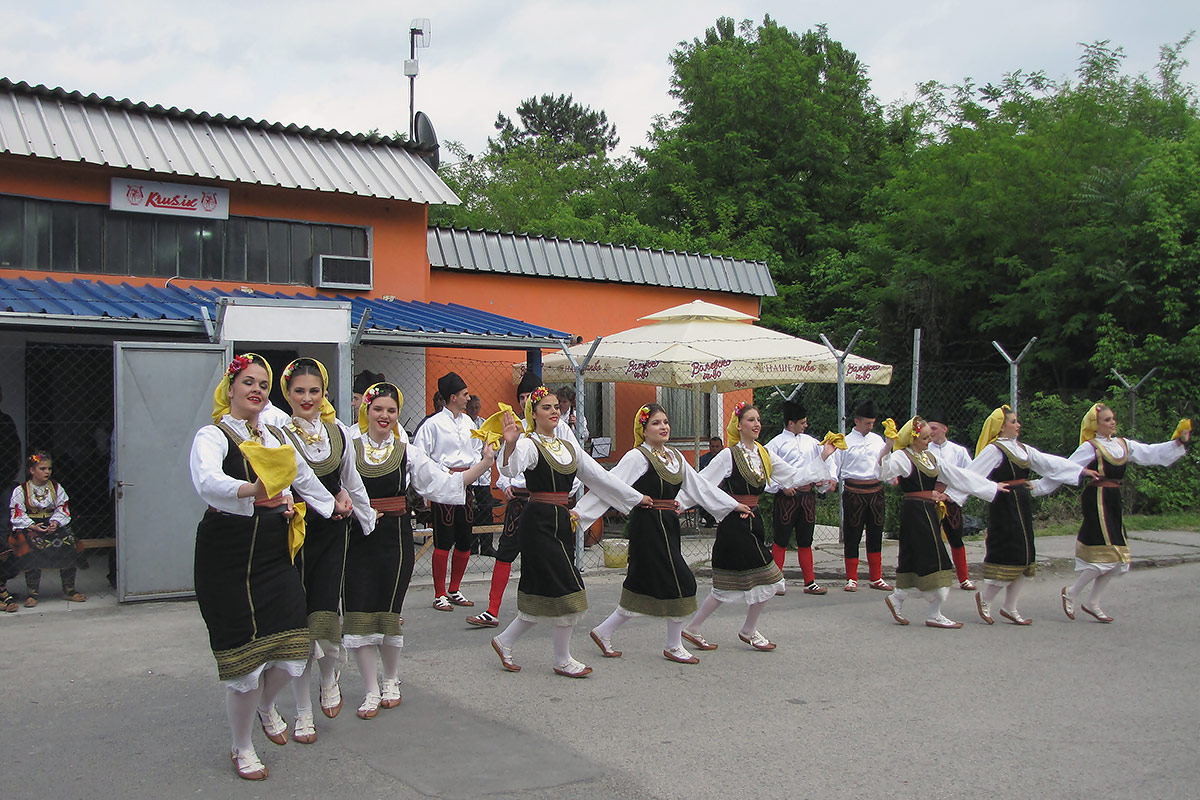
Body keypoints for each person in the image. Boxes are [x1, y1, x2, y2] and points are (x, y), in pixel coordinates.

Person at [189, 353, 337, 781]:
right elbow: (207, 480)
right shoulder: (213, 435)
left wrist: (335, 506)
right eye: (248, 382)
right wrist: (251, 489)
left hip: (272, 553)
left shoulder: (274, 434)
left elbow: (302, 477)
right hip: (228, 555)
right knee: (245, 662)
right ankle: (242, 747)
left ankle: (265, 705)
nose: (256, 389)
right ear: (230, 389)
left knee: (295, 645)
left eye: (262, 384)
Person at [346, 382, 494, 718]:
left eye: (391, 410)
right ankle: (370, 688)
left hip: (394, 537)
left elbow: (441, 482)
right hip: (357, 536)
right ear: (366, 411)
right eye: (378, 409)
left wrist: (485, 463)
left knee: (388, 611)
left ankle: (390, 679)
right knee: (359, 611)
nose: (384, 416)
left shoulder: (406, 451)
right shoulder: (349, 448)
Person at [490, 386, 648, 677]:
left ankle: (505, 641)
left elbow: (599, 477)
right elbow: (511, 470)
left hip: (561, 520)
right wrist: (510, 444)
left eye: (556, 406)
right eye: (546, 407)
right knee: (570, 589)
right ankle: (562, 659)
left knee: (543, 590)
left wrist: (635, 497)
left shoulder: (568, 447)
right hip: (538, 522)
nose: (554, 411)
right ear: (533, 414)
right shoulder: (529, 444)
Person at [575, 404, 751, 664]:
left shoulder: (675, 457)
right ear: (643, 430)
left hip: (667, 524)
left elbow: (700, 486)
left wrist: (732, 505)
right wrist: (581, 513)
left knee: (641, 583)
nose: (664, 427)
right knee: (682, 581)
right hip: (647, 525)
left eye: (665, 422)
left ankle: (604, 631)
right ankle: (674, 645)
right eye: (656, 423)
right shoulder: (637, 457)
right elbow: (610, 485)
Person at [684, 402, 834, 652]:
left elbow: (793, 476)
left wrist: (823, 457)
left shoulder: (764, 454)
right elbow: (703, 483)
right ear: (739, 425)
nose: (756, 424)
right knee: (769, 578)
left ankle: (698, 628)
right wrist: (682, 504)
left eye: (758, 420)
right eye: (751, 420)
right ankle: (745, 630)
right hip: (735, 524)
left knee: (732, 585)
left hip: (754, 520)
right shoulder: (729, 455)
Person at [274, 358, 370, 744]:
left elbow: (351, 480)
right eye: (299, 391)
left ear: (324, 393)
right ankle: (302, 711)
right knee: (299, 625)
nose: (307, 397)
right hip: (294, 533)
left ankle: (329, 676)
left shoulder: (337, 432)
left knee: (325, 616)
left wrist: (367, 518)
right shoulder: (277, 433)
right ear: (287, 394)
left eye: (314, 390)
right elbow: (282, 481)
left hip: (331, 532)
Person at [1061, 404, 1190, 623]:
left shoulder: (1123, 444)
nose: (1112, 422)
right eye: (1107, 420)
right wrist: (1079, 472)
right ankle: (1072, 592)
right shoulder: (1090, 447)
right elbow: (1064, 467)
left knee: (1118, 556)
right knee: (1108, 553)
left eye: (1113, 418)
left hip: (1113, 498)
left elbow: (1150, 452)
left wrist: (1178, 442)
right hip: (1097, 498)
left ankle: (1093, 602)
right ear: (1096, 425)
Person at [968, 405, 1093, 625]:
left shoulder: (1023, 449)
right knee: (1007, 552)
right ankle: (986, 598)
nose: (1018, 425)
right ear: (1001, 426)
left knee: (1025, 555)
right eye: (1013, 422)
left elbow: (1049, 463)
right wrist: (988, 487)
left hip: (1022, 503)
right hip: (1004, 505)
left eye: (1017, 421)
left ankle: (1010, 606)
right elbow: (971, 475)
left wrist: (1079, 470)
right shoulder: (994, 450)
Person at [879, 417, 1005, 628]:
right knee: (937, 562)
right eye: (925, 438)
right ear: (913, 438)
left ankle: (898, 598)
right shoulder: (903, 456)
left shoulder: (929, 457)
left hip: (928, 511)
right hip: (915, 513)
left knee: (915, 558)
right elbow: (884, 472)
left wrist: (990, 487)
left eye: (930, 436)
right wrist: (888, 447)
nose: (929, 441)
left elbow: (958, 475)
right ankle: (933, 613)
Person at [466, 370, 541, 628]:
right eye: (521, 397)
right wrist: (506, 484)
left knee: (546, 555)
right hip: (518, 501)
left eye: (530, 396)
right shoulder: (513, 426)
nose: (525, 401)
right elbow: (501, 463)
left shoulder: (556, 428)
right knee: (506, 552)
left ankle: (548, 607)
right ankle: (492, 610)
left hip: (544, 501)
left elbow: (571, 462)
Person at [412, 373, 479, 611]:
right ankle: (439, 592)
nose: (468, 398)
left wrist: (474, 469)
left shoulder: (468, 423)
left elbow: (477, 448)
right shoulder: (432, 425)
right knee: (443, 540)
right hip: (444, 484)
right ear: (452, 397)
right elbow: (420, 456)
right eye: (464, 394)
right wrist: (442, 472)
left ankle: (455, 588)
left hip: (465, 483)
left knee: (465, 538)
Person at [765, 401, 838, 595]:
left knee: (806, 540)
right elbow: (766, 470)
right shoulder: (775, 445)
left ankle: (810, 582)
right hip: (786, 498)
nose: (806, 425)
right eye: (802, 422)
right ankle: (776, 582)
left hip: (807, 496)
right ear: (791, 423)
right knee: (781, 539)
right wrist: (781, 486)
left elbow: (826, 461)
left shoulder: (812, 443)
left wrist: (828, 479)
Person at [830, 399, 892, 591]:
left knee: (875, 533)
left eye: (872, 423)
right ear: (857, 421)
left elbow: (885, 462)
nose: (870, 426)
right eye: (867, 423)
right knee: (852, 534)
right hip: (854, 492)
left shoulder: (878, 440)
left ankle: (876, 577)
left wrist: (891, 476)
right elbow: (835, 464)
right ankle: (852, 578)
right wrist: (831, 479)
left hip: (875, 491)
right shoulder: (845, 442)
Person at [9, 450, 84, 607]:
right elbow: (17, 513)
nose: (47, 472)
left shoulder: (56, 487)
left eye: (49, 468)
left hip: (51, 524)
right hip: (30, 526)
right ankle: (33, 593)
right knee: (30, 548)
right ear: (31, 470)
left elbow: (62, 508)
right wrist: (31, 525)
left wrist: (55, 522)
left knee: (69, 542)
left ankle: (69, 589)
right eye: (42, 469)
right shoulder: (21, 490)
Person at [924, 410, 977, 590]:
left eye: (934, 428)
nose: (931, 432)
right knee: (929, 539)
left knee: (955, 538)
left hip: (951, 497)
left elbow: (969, 476)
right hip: (930, 497)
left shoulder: (958, 451)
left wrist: (950, 495)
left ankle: (963, 578)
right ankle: (932, 577)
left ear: (944, 429)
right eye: (928, 428)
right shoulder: (924, 450)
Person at [466, 394, 497, 556]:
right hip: (469, 475)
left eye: (477, 407)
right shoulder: (464, 425)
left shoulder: (485, 424)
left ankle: (487, 545)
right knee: (470, 511)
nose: (474, 410)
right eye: (471, 407)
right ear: (466, 408)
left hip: (483, 476)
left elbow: (493, 446)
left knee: (486, 509)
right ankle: (471, 545)